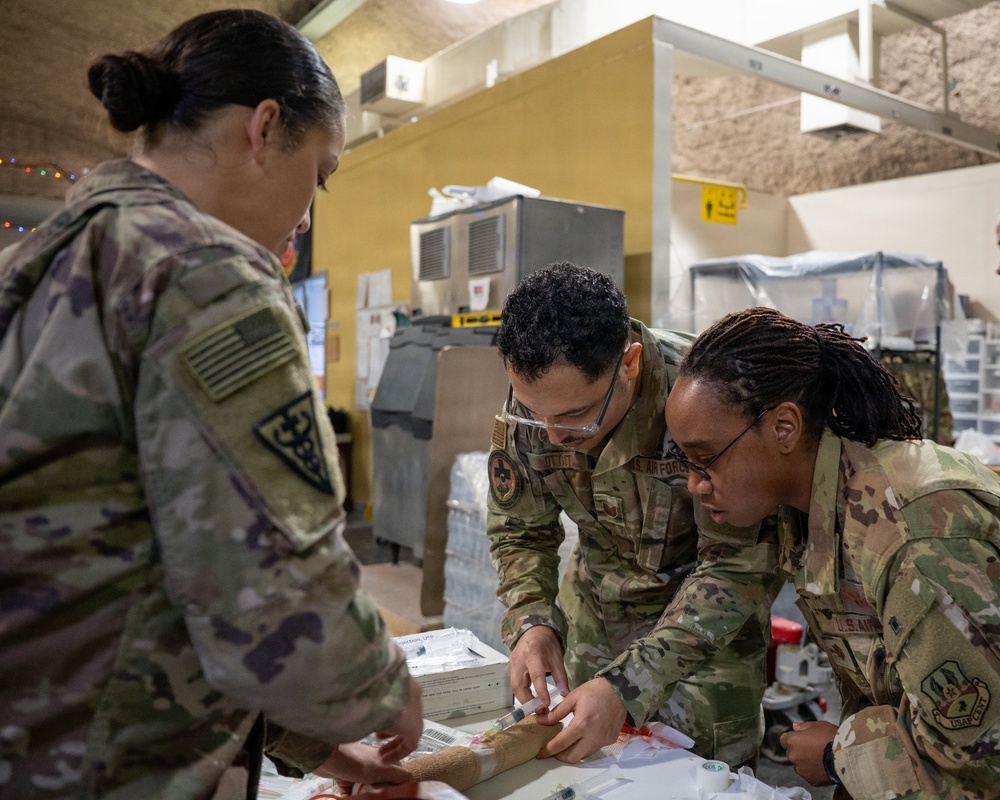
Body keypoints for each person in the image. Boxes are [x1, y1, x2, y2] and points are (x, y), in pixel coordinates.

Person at [0, 10, 422, 799]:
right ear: (265, 130)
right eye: (321, 174)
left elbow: (141, 568)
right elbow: (278, 601)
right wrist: (385, 687)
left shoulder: (34, 257)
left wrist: (318, 751)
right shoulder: (207, 274)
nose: (306, 211)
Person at [664, 306, 1000, 799]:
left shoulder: (911, 539)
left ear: (784, 428)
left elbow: (982, 761)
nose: (695, 485)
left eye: (705, 459)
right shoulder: (813, 505)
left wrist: (837, 755)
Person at [486, 263, 779, 765]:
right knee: (589, 772)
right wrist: (532, 622)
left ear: (630, 363)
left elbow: (738, 564)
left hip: (706, 631)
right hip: (597, 613)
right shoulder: (539, 402)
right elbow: (520, 531)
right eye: (535, 414)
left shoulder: (707, 399)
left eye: (576, 416)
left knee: (708, 778)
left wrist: (629, 683)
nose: (552, 434)